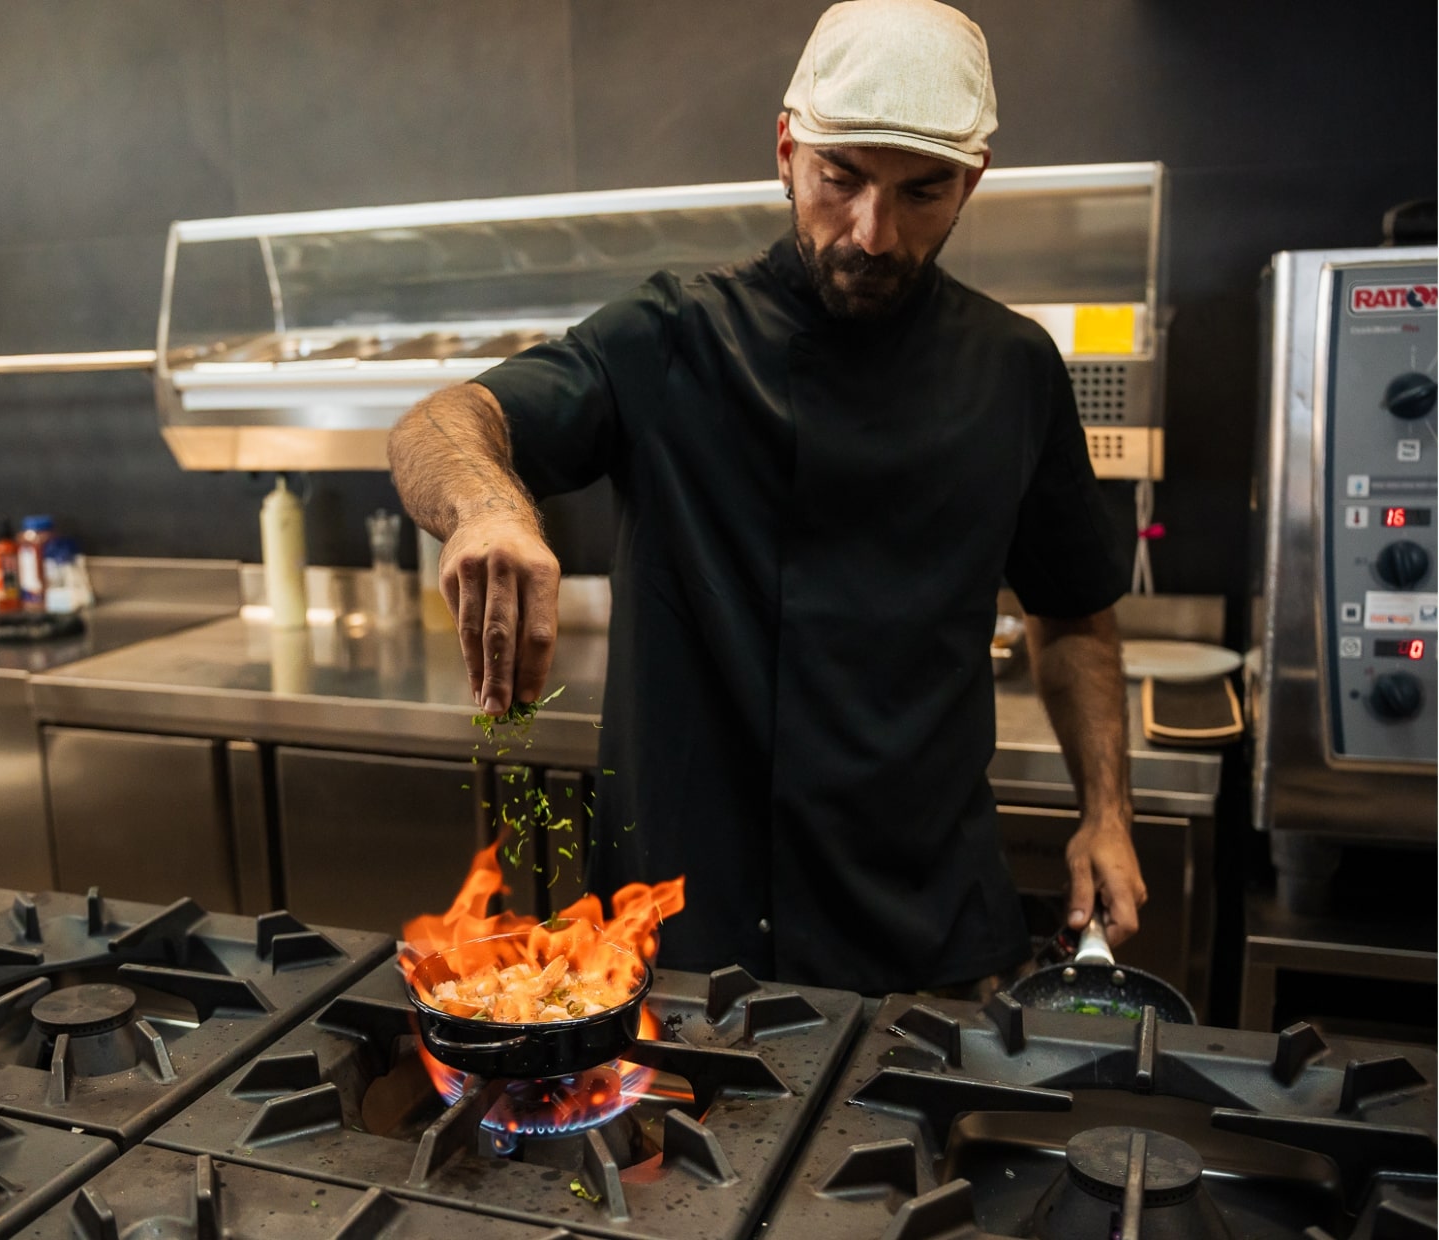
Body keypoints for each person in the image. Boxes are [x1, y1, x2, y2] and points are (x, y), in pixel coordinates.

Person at [388, 0, 1148, 994]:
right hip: (686, 941)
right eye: (841, 180)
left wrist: (1106, 811)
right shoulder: (671, 339)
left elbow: (1073, 612)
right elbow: (442, 422)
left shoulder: (1013, 370)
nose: (872, 233)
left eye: (920, 193)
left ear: (971, 181)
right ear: (786, 151)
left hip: (929, 934)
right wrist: (489, 509)